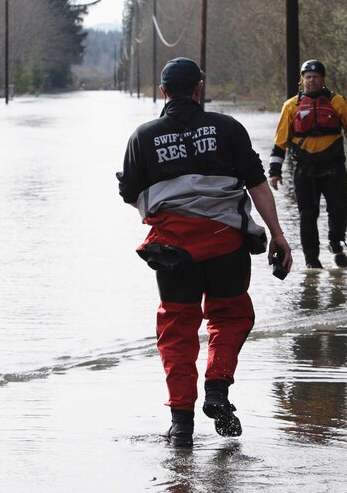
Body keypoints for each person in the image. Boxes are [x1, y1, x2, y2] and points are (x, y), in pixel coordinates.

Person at [117, 57, 293, 448]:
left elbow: (131, 195)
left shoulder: (143, 136)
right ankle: (217, 388)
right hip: (226, 244)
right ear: (199, 88)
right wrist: (278, 235)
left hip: (173, 251)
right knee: (230, 318)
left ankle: (181, 425)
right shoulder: (228, 128)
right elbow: (257, 185)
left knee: (177, 331)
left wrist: (172, 211)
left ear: (163, 92)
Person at [268, 59, 347, 268]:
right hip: (305, 171)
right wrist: (274, 171)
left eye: (315, 77)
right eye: (308, 77)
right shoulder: (291, 106)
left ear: (322, 80)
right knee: (307, 215)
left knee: (339, 209)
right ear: (302, 80)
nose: (311, 81)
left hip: (334, 168)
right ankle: (312, 261)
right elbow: (280, 141)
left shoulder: (337, 102)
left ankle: (336, 242)